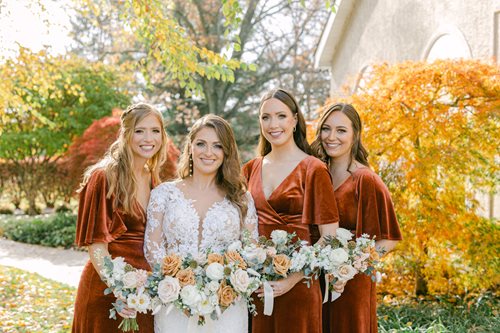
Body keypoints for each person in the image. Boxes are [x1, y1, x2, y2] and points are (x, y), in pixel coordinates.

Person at [144, 114, 258, 333]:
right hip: (174, 304)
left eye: (217, 146)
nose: (208, 152)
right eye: (201, 144)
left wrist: (227, 287)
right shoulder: (164, 194)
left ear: (226, 152)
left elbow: (250, 250)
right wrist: (177, 287)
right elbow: (153, 248)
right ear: (190, 148)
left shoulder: (241, 199)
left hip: (227, 306)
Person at [242, 88, 339, 333]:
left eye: (281, 116)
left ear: (295, 120)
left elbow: (330, 237)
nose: (273, 124)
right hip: (258, 287)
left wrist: (291, 279)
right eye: (265, 117)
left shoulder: (313, 169)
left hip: (300, 287)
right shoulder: (249, 169)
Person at [72, 103, 168, 332]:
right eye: (139, 130)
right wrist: (122, 290)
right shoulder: (104, 177)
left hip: (145, 294)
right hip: (108, 293)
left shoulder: (155, 180)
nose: (149, 138)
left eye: (155, 130)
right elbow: (97, 247)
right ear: (126, 134)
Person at [311, 102, 402, 333]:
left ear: (355, 135)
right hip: (314, 280)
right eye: (326, 128)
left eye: (341, 130)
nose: (331, 137)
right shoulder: (315, 173)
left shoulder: (366, 180)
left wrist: (350, 268)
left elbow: (389, 240)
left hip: (351, 284)